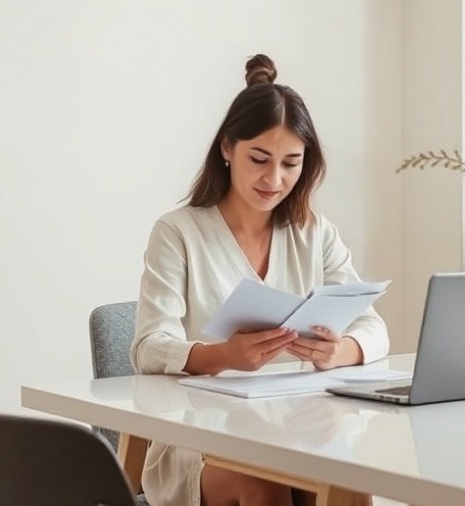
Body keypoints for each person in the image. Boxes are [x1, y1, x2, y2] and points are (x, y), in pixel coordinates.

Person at [130, 54, 389, 506]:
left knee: (348, 484)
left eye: (291, 163)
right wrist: (221, 356)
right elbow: (148, 347)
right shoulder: (178, 233)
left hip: (296, 428)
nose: (274, 178)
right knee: (260, 482)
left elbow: (373, 326)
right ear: (227, 148)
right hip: (200, 439)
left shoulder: (314, 233)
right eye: (260, 159)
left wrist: (340, 351)